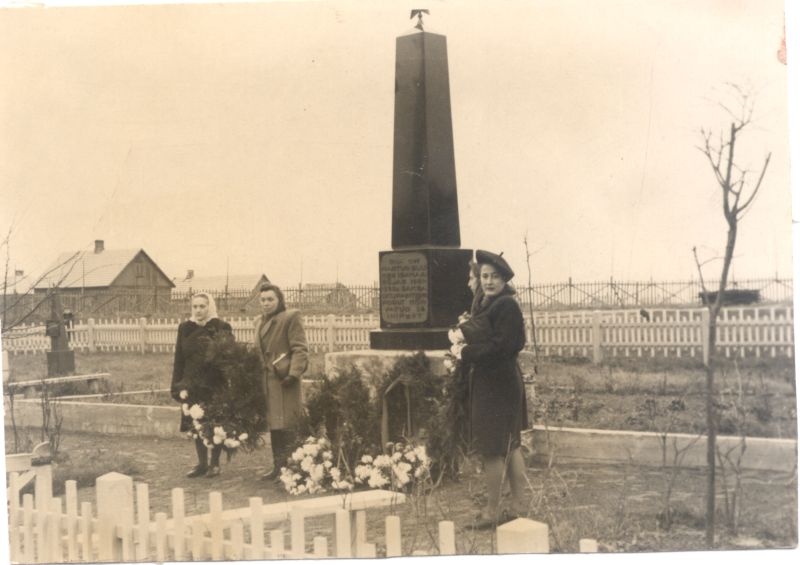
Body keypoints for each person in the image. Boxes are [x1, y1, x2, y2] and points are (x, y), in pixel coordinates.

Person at [459, 250, 529, 529]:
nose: (488, 281)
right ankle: (517, 506)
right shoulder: (488, 304)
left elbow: (505, 346)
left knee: (493, 447)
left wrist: (466, 352)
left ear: (504, 280)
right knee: (509, 443)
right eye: (484, 276)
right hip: (493, 381)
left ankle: (492, 511)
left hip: (499, 384)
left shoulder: (506, 306)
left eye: (494, 277)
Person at [171, 292, 233, 478]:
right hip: (191, 384)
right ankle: (202, 463)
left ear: (210, 307)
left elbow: (229, 358)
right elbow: (179, 359)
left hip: (214, 384)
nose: (198, 310)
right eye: (195, 306)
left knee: (215, 424)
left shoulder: (221, 327)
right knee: (195, 423)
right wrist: (177, 384)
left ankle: (215, 464)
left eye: (202, 306)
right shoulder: (185, 328)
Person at [254, 283, 309, 480]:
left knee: (288, 426)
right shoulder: (258, 322)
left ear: (279, 300)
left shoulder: (290, 317)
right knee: (275, 426)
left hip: (285, 381)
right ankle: (278, 467)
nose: (266, 303)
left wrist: (293, 374)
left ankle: (293, 468)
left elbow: (300, 348)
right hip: (268, 382)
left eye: (271, 299)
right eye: (263, 300)